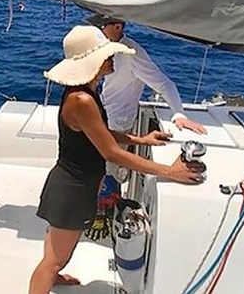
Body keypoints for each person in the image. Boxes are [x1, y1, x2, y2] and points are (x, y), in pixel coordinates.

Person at [29, 25, 203, 294]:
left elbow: (99, 133)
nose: (112, 59)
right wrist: (169, 171)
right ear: (93, 62)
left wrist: (139, 140)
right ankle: (50, 275)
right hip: (72, 189)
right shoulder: (82, 99)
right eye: (107, 55)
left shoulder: (85, 91)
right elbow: (111, 153)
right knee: (52, 261)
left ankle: (54, 273)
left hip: (74, 184)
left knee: (58, 250)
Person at [85, 14, 207, 136]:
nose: (96, 32)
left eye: (100, 27)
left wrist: (179, 114)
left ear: (117, 27)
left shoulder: (132, 53)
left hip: (117, 123)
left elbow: (164, 84)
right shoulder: (109, 48)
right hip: (105, 115)